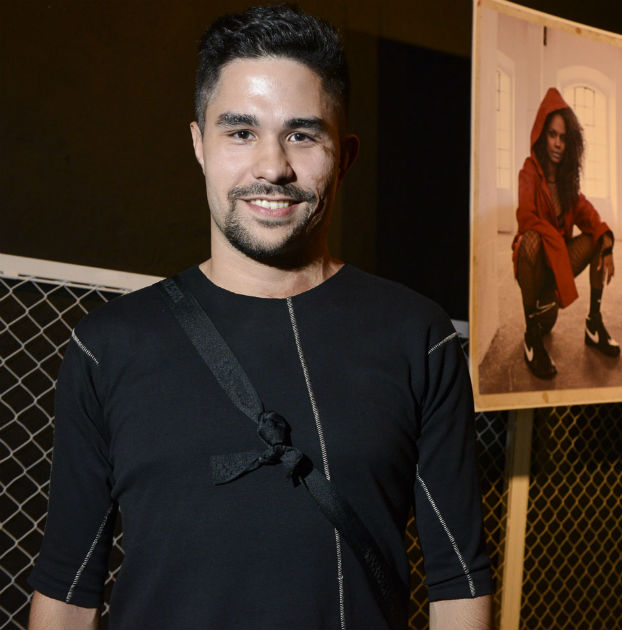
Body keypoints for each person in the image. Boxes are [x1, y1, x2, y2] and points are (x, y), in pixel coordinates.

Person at [28, 6, 493, 629]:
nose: (272, 166)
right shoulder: (109, 346)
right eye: (241, 132)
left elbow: (459, 580)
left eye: (302, 135)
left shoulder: (417, 337)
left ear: (345, 155)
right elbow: (67, 590)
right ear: (200, 144)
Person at [512, 87, 619, 380]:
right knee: (529, 240)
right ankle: (531, 335)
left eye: (563, 137)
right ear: (541, 135)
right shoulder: (528, 172)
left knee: (597, 237)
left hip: (556, 281)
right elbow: (525, 217)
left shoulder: (568, 182)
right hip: (537, 279)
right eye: (552, 135)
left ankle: (593, 322)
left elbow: (591, 217)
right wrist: (555, 244)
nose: (558, 143)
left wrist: (607, 243)